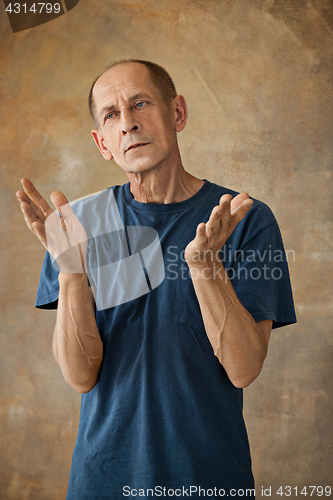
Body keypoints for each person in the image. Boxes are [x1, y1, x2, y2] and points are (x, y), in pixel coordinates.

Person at [16, 59, 296, 500]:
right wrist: (71, 272)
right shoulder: (79, 225)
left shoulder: (243, 219)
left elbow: (244, 369)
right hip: (102, 483)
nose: (127, 124)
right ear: (102, 143)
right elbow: (79, 376)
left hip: (209, 482)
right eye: (111, 115)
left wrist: (206, 267)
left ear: (177, 113)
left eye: (140, 104)